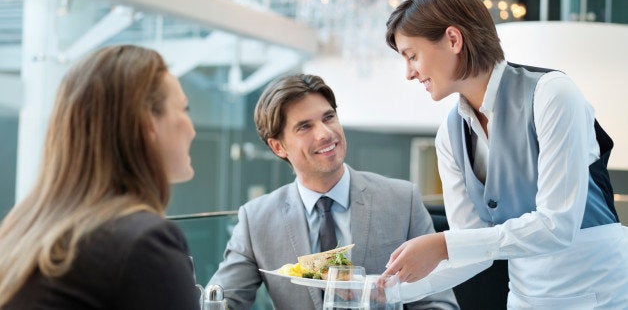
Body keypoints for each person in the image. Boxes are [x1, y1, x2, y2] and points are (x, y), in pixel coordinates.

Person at [382, 0, 628, 309]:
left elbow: (557, 226)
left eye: (412, 55)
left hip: (600, 292)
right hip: (526, 296)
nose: (409, 73)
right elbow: (470, 253)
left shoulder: (551, 94)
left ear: (453, 39)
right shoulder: (450, 133)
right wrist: (384, 289)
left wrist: (444, 244)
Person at [207, 74, 459, 309]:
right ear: (278, 146)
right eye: (304, 126)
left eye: (328, 118)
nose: (325, 133)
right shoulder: (256, 220)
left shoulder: (403, 201)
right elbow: (222, 298)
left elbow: (439, 302)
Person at [0, 45, 199, 309]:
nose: (192, 129)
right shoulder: (142, 243)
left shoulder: (24, 229)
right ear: (147, 122)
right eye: (184, 108)